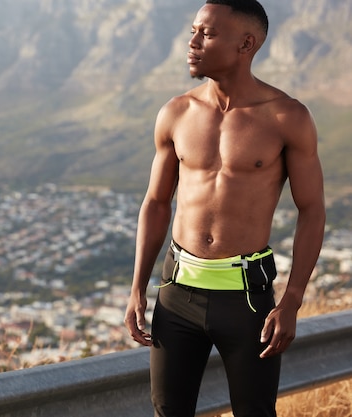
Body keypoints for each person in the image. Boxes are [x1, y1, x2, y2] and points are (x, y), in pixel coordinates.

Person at [123, 0, 326, 416]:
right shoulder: (176, 112)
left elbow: (313, 210)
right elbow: (157, 203)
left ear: (245, 44)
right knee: (168, 411)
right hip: (177, 295)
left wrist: (292, 301)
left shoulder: (287, 117)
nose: (192, 42)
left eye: (207, 34)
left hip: (249, 301)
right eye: (194, 31)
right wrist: (137, 287)